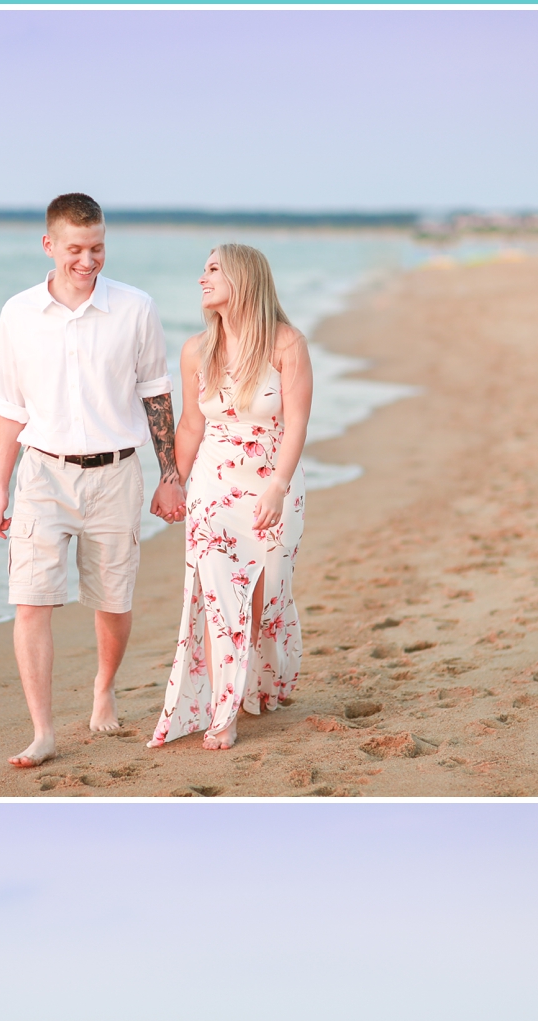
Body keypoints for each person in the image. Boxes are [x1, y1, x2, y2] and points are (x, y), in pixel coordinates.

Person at [0, 192, 186, 768]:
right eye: (75, 249)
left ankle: (104, 687)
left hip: (116, 475)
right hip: (42, 476)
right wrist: (1, 485)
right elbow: (10, 406)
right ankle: (43, 731)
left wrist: (169, 475)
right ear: (49, 245)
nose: (87, 260)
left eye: (97, 247)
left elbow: (156, 392)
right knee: (31, 602)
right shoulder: (17, 313)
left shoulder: (135, 308)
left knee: (112, 601)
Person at [148, 246, 312, 751]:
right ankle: (224, 714)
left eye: (213, 269)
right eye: (203, 268)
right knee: (220, 600)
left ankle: (256, 685)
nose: (202, 277)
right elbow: (193, 424)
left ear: (243, 277)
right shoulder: (198, 349)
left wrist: (278, 487)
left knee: (262, 601)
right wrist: (171, 478)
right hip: (213, 485)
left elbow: (297, 424)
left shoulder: (286, 344)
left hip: (272, 482)